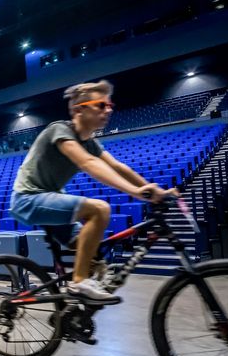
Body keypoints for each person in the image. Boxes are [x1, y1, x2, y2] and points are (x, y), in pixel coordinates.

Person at [9, 80, 177, 303]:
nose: (108, 110)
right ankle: (78, 283)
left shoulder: (90, 142)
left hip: (51, 198)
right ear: (79, 110)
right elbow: (88, 163)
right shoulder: (59, 130)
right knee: (100, 210)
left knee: (92, 251)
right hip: (28, 198)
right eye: (100, 105)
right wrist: (137, 193)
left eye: (110, 105)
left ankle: (72, 313)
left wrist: (151, 188)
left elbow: (118, 167)